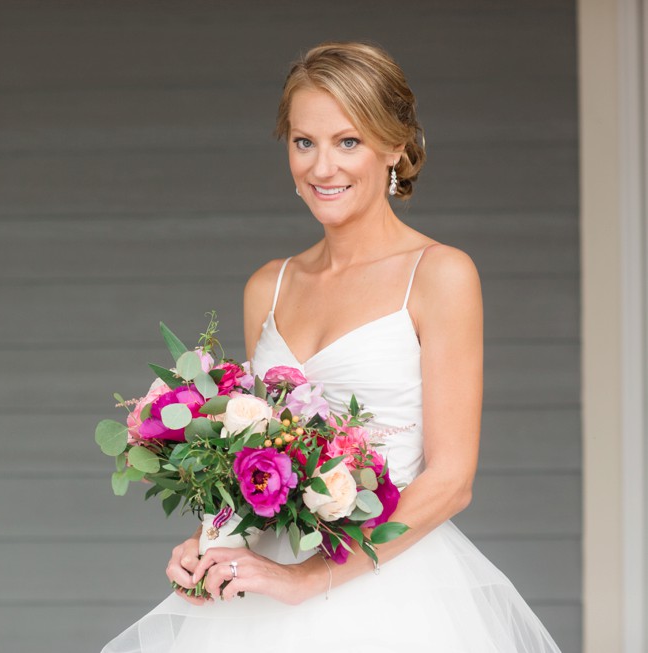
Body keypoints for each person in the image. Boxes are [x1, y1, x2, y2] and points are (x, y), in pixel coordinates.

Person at [101, 42, 562, 652]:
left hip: (386, 584)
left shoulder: (440, 274)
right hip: (263, 587)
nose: (322, 168)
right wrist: (214, 540)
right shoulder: (269, 284)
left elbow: (451, 480)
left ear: (395, 145)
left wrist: (308, 580)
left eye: (348, 142)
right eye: (303, 142)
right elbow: (257, 456)